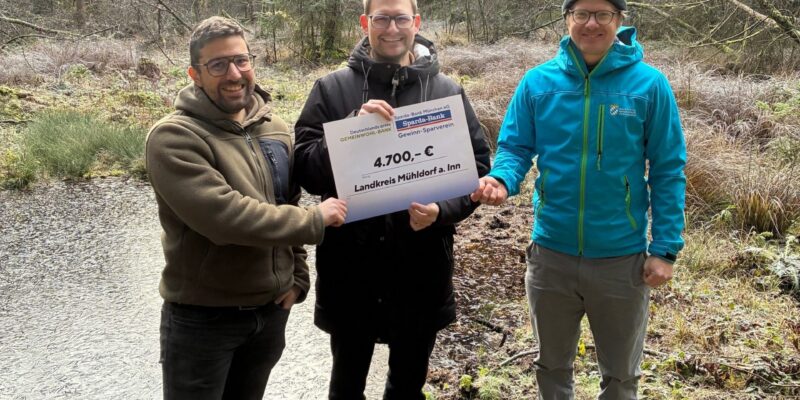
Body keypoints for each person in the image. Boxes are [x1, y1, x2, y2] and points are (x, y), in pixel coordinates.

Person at [470, 0, 686, 398]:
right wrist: (502, 177)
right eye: (581, 14)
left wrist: (665, 248)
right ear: (567, 19)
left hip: (621, 259)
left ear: (619, 21)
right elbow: (515, 147)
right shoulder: (538, 82)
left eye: (602, 14)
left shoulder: (648, 85)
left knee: (622, 375)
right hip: (551, 255)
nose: (591, 23)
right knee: (551, 366)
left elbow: (668, 169)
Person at [292, 0, 491, 398]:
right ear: (366, 23)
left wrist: (441, 211)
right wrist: (350, 131)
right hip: (351, 269)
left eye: (401, 18)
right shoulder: (331, 89)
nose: (391, 28)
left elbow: (478, 170)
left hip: (421, 270)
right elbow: (305, 170)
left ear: (416, 23)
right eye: (381, 18)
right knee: (346, 385)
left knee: (406, 386)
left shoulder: (446, 91)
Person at [145, 16, 348, 400]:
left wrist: (299, 277)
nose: (234, 73)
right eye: (218, 65)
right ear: (195, 74)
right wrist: (314, 221)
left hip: (269, 313)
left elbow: (285, 201)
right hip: (203, 320)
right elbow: (225, 218)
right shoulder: (173, 136)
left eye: (241, 60)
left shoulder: (274, 128)